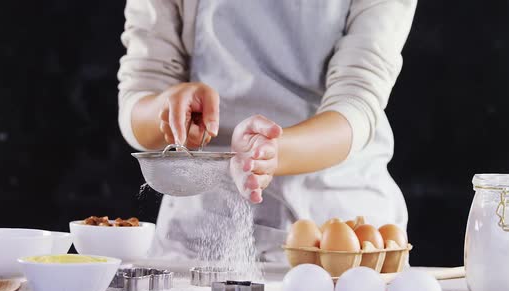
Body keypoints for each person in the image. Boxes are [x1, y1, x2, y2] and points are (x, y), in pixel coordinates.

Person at [118, 0, 417, 261]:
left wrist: (270, 152)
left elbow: (357, 101)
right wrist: (167, 110)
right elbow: (143, 88)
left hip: (335, 233)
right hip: (201, 235)